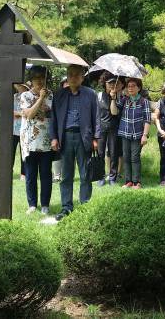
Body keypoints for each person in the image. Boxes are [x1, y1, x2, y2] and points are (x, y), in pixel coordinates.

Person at [51, 65, 101, 222]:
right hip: (65, 138)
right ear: (67, 76)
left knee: (85, 174)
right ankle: (66, 207)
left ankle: (85, 205)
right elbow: (53, 118)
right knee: (66, 176)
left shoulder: (90, 94)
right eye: (70, 75)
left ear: (82, 77)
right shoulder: (59, 95)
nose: (73, 77)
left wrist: (96, 138)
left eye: (76, 75)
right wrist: (54, 137)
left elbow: (97, 117)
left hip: (83, 137)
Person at [20, 66, 55, 215]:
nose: (40, 81)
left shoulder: (52, 95)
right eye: (36, 78)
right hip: (29, 141)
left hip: (46, 140)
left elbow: (53, 115)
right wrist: (40, 98)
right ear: (31, 80)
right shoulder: (25, 96)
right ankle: (32, 204)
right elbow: (28, 114)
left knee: (46, 174)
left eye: (42, 78)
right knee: (31, 174)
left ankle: (45, 204)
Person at [111, 77, 151, 189]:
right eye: (128, 86)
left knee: (135, 157)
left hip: (138, 134)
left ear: (139, 88)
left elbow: (147, 119)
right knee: (126, 157)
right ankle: (128, 181)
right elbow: (114, 112)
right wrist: (113, 99)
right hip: (125, 133)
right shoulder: (124, 100)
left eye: (133, 86)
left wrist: (144, 135)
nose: (130, 88)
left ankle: (137, 182)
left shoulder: (144, 101)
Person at [96, 75, 122, 187]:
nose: (112, 85)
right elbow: (95, 113)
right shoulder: (98, 95)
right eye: (109, 83)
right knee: (100, 153)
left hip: (114, 127)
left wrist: (113, 98)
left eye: (114, 83)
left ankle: (112, 177)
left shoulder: (120, 97)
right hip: (101, 127)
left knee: (113, 152)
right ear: (104, 83)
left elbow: (115, 113)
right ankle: (100, 177)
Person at [52, 77, 69, 182]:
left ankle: (67, 174)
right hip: (59, 129)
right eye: (65, 83)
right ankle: (57, 175)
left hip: (70, 130)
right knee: (57, 152)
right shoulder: (57, 96)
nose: (67, 84)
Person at [12, 82, 30, 182]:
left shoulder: (29, 96)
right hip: (13, 129)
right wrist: (19, 113)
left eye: (21, 86)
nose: (20, 88)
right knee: (11, 152)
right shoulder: (14, 97)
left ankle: (24, 173)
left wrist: (19, 113)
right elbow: (8, 110)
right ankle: (9, 170)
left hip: (25, 129)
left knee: (24, 152)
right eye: (18, 86)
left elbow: (28, 112)